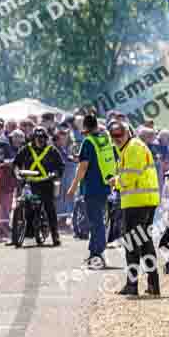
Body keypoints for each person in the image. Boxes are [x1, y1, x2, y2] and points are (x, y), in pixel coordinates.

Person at [108, 121, 160, 296]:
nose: (116, 139)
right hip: (142, 201)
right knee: (144, 244)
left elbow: (129, 177)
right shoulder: (130, 147)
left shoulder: (133, 147)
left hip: (138, 202)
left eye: (119, 134)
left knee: (132, 245)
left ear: (128, 132)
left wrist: (116, 182)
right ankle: (152, 285)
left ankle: (132, 285)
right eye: (113, 136)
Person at [67, 114, 118, 269]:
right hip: (105, 184)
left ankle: (97, 254)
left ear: (85, 126)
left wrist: (73, 187)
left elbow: (83, 167)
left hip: (91, 187)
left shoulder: (88, 142)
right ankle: (93, 253)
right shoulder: (104, 139)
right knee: (98, 219)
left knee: (96, 221)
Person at [11, 127, 64, 246]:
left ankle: (55, 235)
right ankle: (18, 233)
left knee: (50, 207)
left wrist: (55, 173)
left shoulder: (52, 150)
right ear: (33, 139)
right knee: (25, 205)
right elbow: (16, 163)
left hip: (46, 183)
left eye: (41, 138)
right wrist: (17, 173)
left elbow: (60, 166)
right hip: (29, 182)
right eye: (37, 138)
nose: (39, 141)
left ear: (45, 139)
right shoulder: (26, 149)